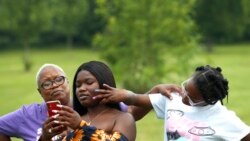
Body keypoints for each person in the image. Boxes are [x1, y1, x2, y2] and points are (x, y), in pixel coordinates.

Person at [94, 65, 250, 141]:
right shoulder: (172, 98)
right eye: (185, 88)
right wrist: (123, 95)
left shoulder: (223, 118)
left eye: (191, 98)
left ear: (209, 101)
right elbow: (137, 99)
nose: (184, 97)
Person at [40, 61, 136, 141]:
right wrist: (44, 138)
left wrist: (81, 127)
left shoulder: (123, 119)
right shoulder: (72, 122)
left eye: (89, 82)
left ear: (104, 84)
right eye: (78, 85)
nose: (81, 89)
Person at [0, 64, 71, 141]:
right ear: (40, 92)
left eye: (59, 79)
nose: (54, 85)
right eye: (47, 84)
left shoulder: (83, 106)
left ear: (67, 81)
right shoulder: (28, 114)